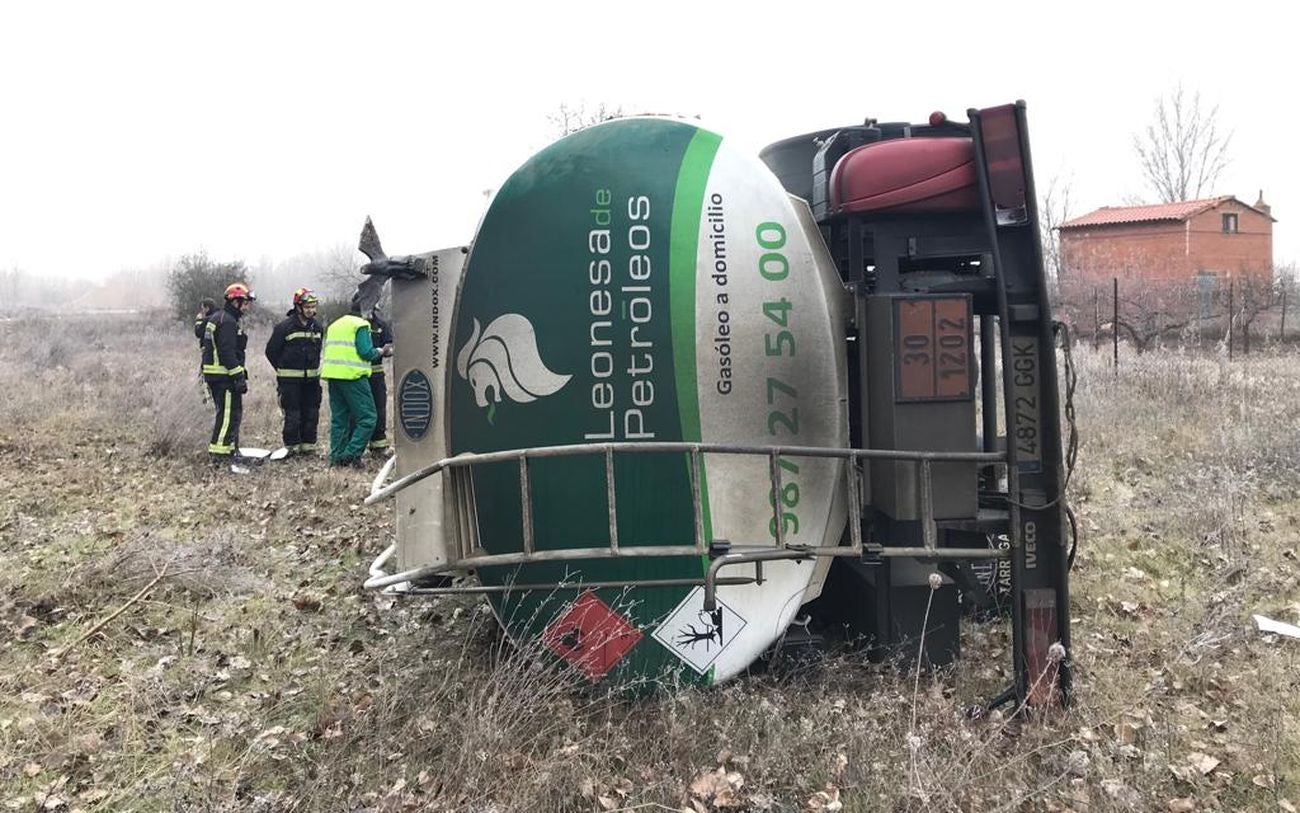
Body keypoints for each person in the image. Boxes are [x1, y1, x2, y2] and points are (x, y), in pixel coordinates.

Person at [320, 298, 392, 467]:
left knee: (340, 419)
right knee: (368, 417)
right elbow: (366, 352)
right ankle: (350, 454)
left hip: (333, 376)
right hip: (353, 377)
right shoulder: (360, 325)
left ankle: (336, 457)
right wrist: (382, 351)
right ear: (367, 310)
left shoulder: (335, 324)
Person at [265, 287, 323, 456]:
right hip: (290, 382)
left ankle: (308, 447)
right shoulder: (285, 327)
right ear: (298, 307)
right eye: (307, 307)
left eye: (313, 307)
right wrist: (283, 368)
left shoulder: (318, 327)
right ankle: (292, 448)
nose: (311, 310)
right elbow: (271, 351)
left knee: (311, 413)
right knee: (293, 415)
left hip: (312, 381)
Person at [200, 283, 255, 463]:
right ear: (235, 302)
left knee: (229, 413)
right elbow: (226, 352)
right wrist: (238, 375)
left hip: (216, 375)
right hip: (224, 376)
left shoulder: (217, 318)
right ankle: (220, 455)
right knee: (227, 416)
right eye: (245, 303)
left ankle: (230, 450)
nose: (247, 307)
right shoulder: (228, 322)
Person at [366, 306, 394, 455]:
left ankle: (378, 445)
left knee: (379, 409)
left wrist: (387, 351)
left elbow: (389, 345)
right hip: (358, 375)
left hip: (376, 375)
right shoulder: (355, 324)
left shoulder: (381, 325)